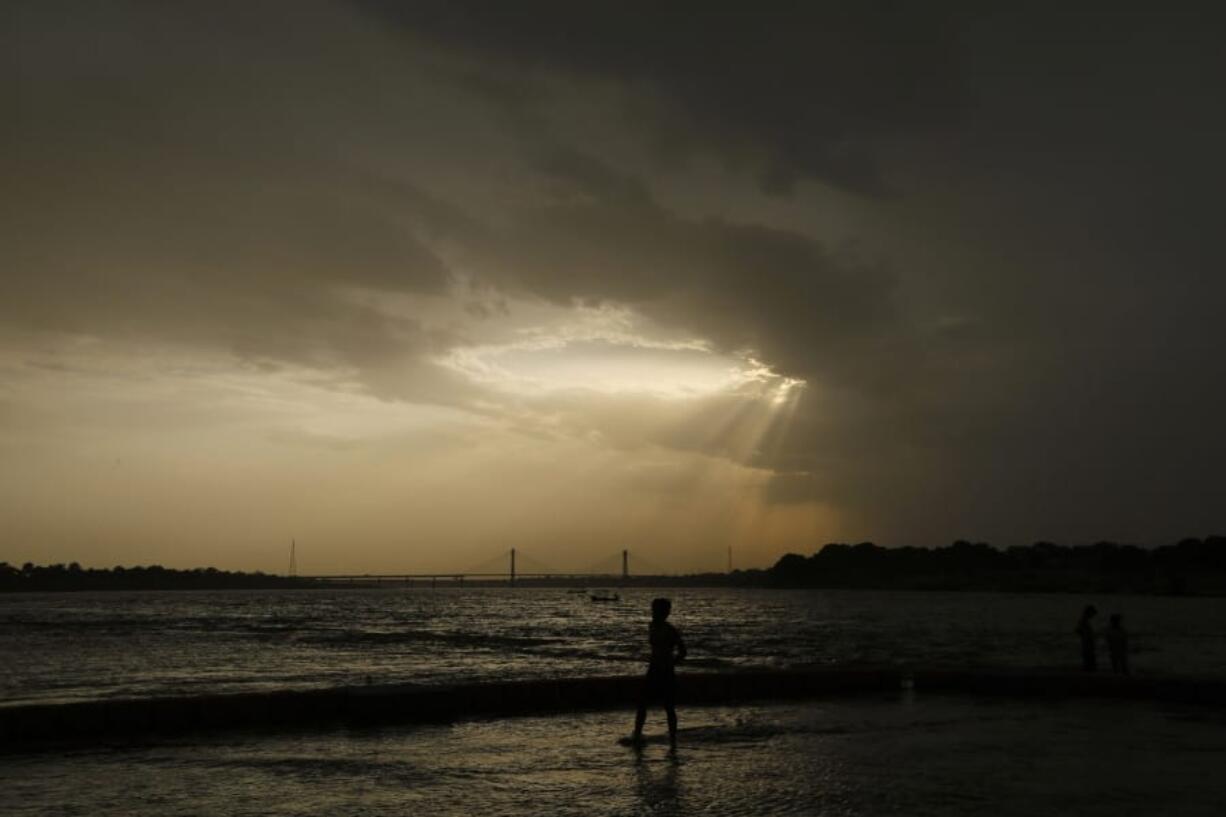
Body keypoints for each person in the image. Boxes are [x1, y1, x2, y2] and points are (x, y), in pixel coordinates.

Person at [631, 597, 687, 749]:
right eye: (653, 610)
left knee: (668, 705)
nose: (653, 613)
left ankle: (673, 738)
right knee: (643, 703)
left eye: (657, 610)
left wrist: (671, 664)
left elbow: (683, 651)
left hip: (665, 670)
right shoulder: (652, 626)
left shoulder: (669, 630)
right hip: (654, 669)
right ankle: (637, 734)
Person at [1075, 604, 1097, 671]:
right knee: (1089, 660)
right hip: (1087, 643)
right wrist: (1085, 635)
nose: (1093, 615)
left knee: (1089, 659)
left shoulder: (1084, 620)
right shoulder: (1083, 620)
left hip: (1087, 643)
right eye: (1092, 613)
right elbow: (1078, 630)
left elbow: (1078, 630)